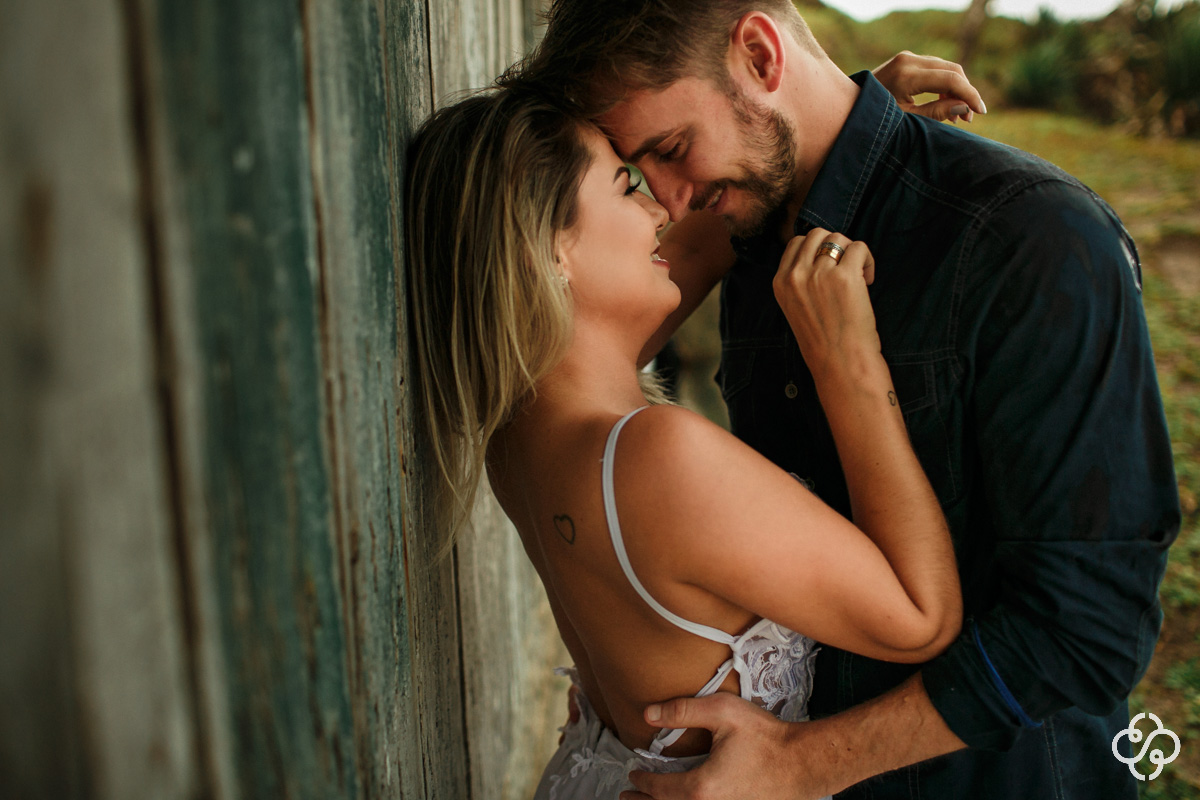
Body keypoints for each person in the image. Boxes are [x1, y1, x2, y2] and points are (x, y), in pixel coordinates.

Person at [500, 2, 1182, 799]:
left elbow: (1091, 627)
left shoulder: (1033, 237)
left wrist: (804, 764)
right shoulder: (748, 223)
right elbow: (568, 341)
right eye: (640, 173)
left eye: (674, 149)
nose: (672, 205)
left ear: (762, 56)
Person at [405, 77, 971, 799]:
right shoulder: (658, 458)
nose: (660, 208)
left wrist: (829, 124)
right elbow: (919, 620)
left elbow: (697, 248)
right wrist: (848, 361)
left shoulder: (521, 425)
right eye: (626, 187)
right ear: (547, 252)